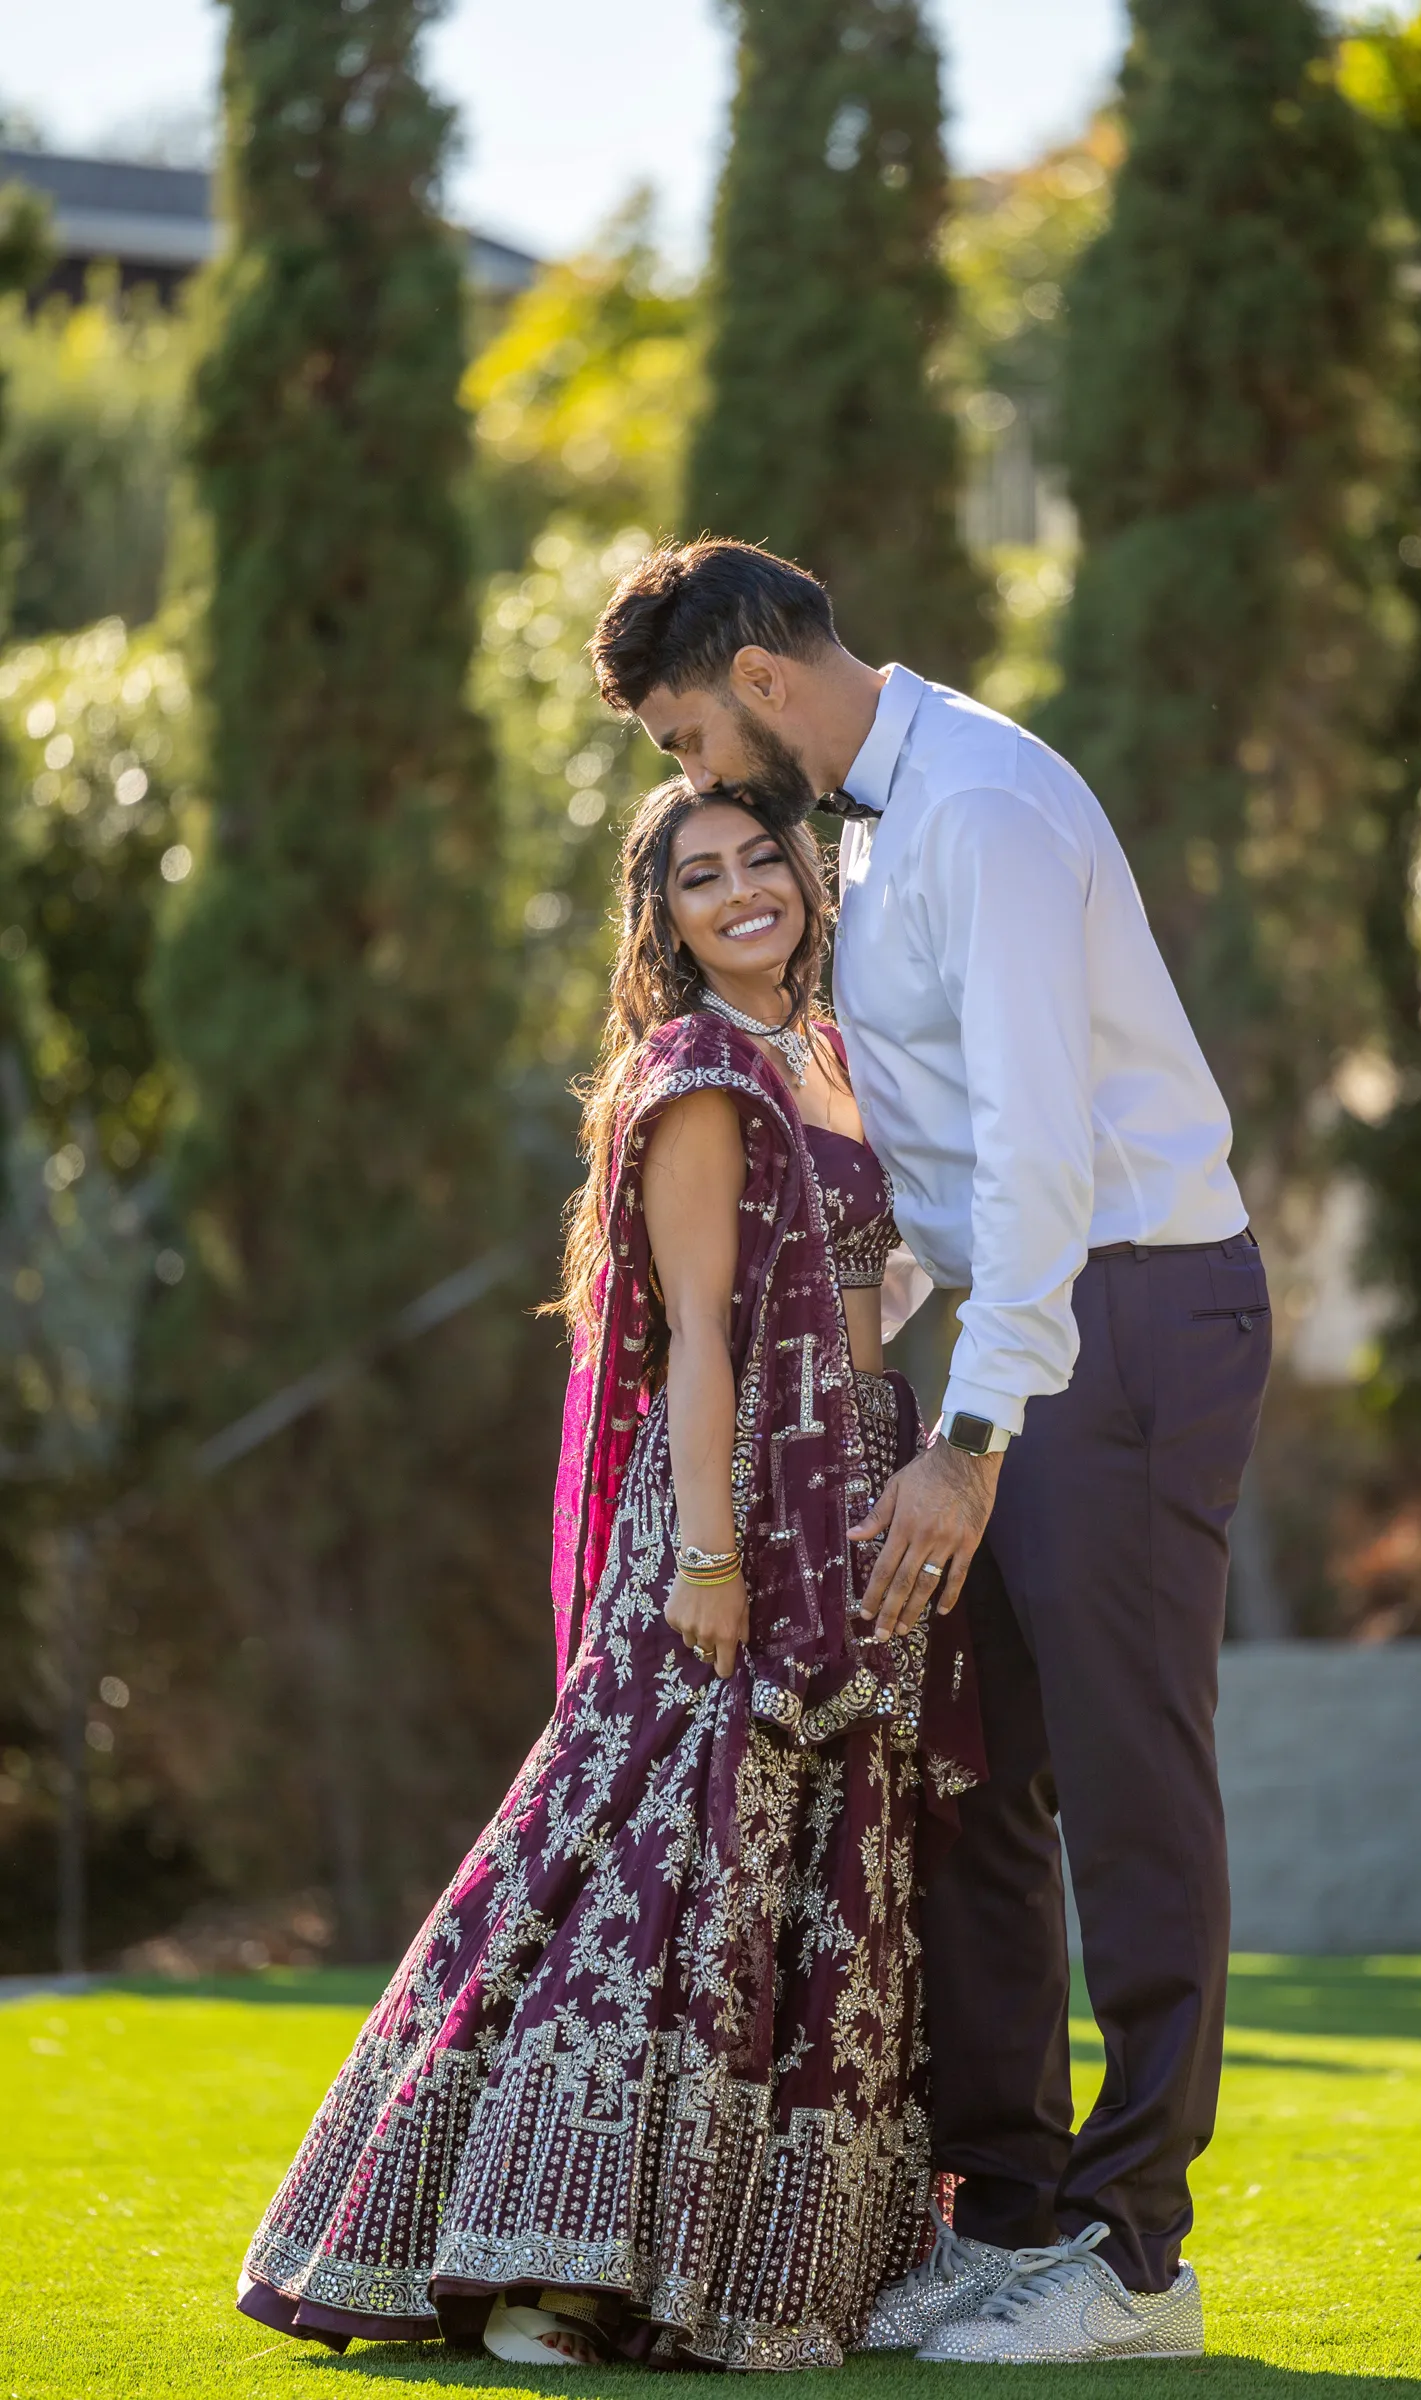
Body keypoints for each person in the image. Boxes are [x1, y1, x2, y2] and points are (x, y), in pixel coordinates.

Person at [588, 538, 1272, 2366]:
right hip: (1033, 1319)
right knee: (981, 1780)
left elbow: (1046, 1156)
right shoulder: (884, 827)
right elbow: (949, 1186)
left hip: (1123, 1316)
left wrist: (968, 1436)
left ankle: (1137, 2259)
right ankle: (1017, 2204)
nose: (694, 784)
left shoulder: (976, 811)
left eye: (682, 739)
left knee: (1128, 1775)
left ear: (753, 676)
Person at [234, 776, 983, 2371]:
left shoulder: (834, 1051)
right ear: (666, 917)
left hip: (856, 1490)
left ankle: (742, 2275)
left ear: (803, 872)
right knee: (653, 1852)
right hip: (732, 1512)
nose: (740, 895)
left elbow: (878, 1282)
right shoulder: (702, 1070)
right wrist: (707, 1554)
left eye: (758, 861)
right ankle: (538, 2267)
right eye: (699, 879)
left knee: (801, 1867)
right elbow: (697, 1336)